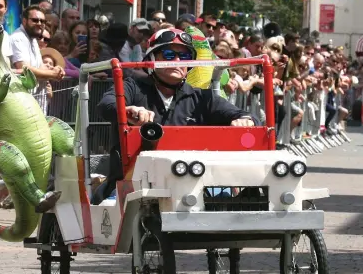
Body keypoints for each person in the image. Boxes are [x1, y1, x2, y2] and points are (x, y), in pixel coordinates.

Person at [93, 28, 257, 204]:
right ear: (152, 59)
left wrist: (245, 120)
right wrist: (128, 111)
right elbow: (106, 105)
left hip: (190, 189)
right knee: (106, 203)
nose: (177, 61)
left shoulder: (202, 97)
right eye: (169, 55)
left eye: (184, 57)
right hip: (131, 187)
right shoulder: (133, 87)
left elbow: (247, 116)